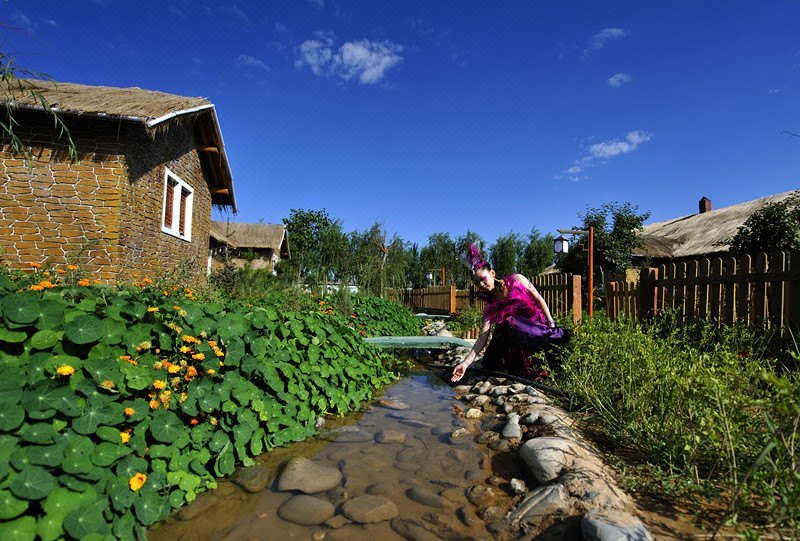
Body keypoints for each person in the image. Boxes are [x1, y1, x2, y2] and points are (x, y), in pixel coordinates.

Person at [451, 254, 569, 383]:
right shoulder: (490, 306)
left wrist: (551, 323)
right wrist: (465, 363)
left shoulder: (518, 280)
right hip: (517, 338)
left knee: (511, 321)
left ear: (492, 273)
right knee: (507, 325)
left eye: (482, 279)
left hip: (537, 327)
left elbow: (539, 299)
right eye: (476, 282)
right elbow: (483, 337)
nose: (481, 284)